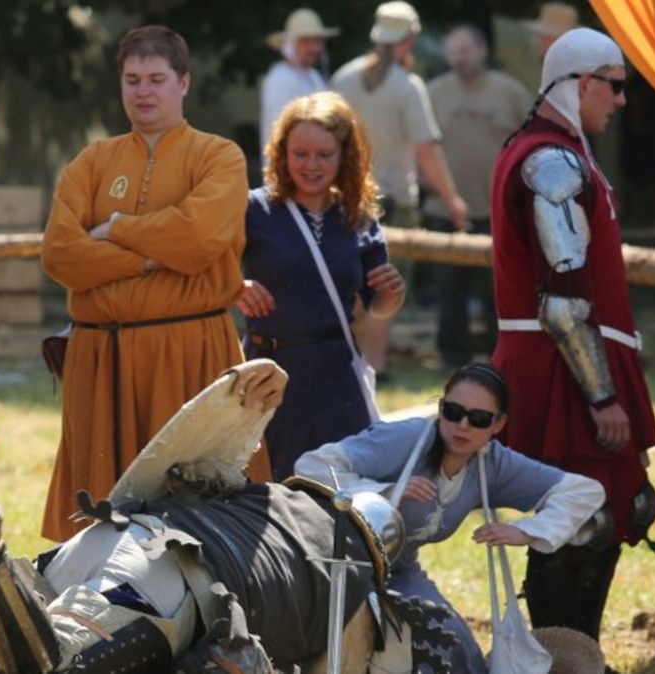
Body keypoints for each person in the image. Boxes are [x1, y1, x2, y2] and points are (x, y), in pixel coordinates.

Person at [0, 359, 456, 674]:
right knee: (52, 666)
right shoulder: (348, 588)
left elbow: (189, 464)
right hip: (165, 586)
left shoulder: (256, 496)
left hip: (107, 540)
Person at [41, 25, 271, 542]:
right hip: (100, 357)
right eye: (132, 79)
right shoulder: (92, 162)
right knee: (98, 513)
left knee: (196, 502)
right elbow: (60, 254)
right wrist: (147, 259)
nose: (143, 91)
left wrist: (117, 229)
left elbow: (199, 238)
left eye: (156, 79)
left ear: (183, 83)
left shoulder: (220, 156)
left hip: (188, 350)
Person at [488, 28, 655, 649]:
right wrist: (600, 396)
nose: (621, 100)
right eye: (614, 86)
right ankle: (562, 661)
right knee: (578, 523)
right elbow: (562, 305)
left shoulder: (562, 150)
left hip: (576, 360)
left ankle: (579, 658)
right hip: (563, 365)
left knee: (613, 512)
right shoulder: (550, 162)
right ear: (581, 83)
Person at [295, 363, 606, 674]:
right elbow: (313, 465)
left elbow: (584, 492)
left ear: (498, 424)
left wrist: (528, 531)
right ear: (441, 408)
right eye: (454, 411)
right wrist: (385, 492)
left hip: (399, 572)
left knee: (457, 648)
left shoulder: (494, 463)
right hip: (340, 566)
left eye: (479, 418)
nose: (463, 426)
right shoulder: (408, 438)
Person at [238, 91, 405, 481]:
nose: (311, 165)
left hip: (336, 376)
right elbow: (209, 268)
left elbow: (378, 305)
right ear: (281, 153)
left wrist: (393, 294)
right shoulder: (253, 209)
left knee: (339, 491)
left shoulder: (357, 216)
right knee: (269, 491)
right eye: (300, 153)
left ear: (345, 155)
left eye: (324, 155)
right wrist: (236, 286)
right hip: (270, 375)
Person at [331, 1, 469, 380]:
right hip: (392, 200)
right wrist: (453, 199)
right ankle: (376, 366)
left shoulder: (343, 78)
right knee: (383, 288)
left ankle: (353, 361)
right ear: (408, 39)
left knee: (348, 285)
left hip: (344, 196)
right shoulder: (408, 86)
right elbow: (427, 149)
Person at [423, 25, 532, 370]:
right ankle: (452, 359)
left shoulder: (510, 92)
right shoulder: (432, 93)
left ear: (482, 50)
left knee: (497, 292)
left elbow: (532, 143)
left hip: (498, 210)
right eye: (453, 51)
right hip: (444, 209)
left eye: (465, 50)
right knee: (448, 292)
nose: (459, 58)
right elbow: (420, 147)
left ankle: (499, 358)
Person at [259, 8, 339, 154]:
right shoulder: (281, 78)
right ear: (291, 44)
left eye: (317, 41)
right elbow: (284, 132)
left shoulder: (313, 75)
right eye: (306, 41)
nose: (314, 47)